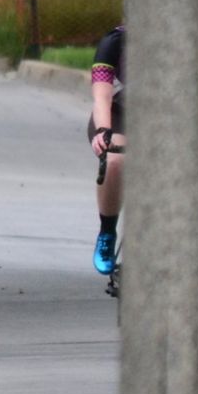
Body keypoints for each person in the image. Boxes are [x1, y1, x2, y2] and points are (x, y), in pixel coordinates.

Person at [89, 24, 126, 275]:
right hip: (120, 115)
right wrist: (104, 130)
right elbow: (102, 96)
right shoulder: (114, 41)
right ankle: (107, 231)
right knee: (115, 161)